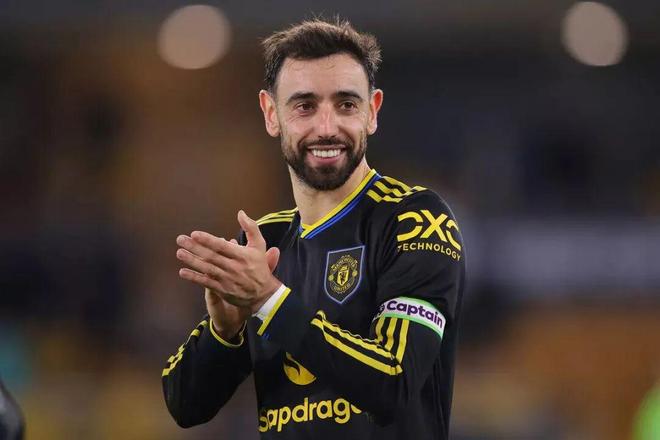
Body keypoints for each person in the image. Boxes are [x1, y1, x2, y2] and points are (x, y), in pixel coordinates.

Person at [162, 17, 465, 440]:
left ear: (373, 111)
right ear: (271, 114)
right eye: (305, 106)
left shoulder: (415, 221)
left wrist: (270, 301)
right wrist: (224, 332)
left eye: (346, 105)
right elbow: (185, 405)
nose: (326, 128)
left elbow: (392, 382)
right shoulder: (264, 244)